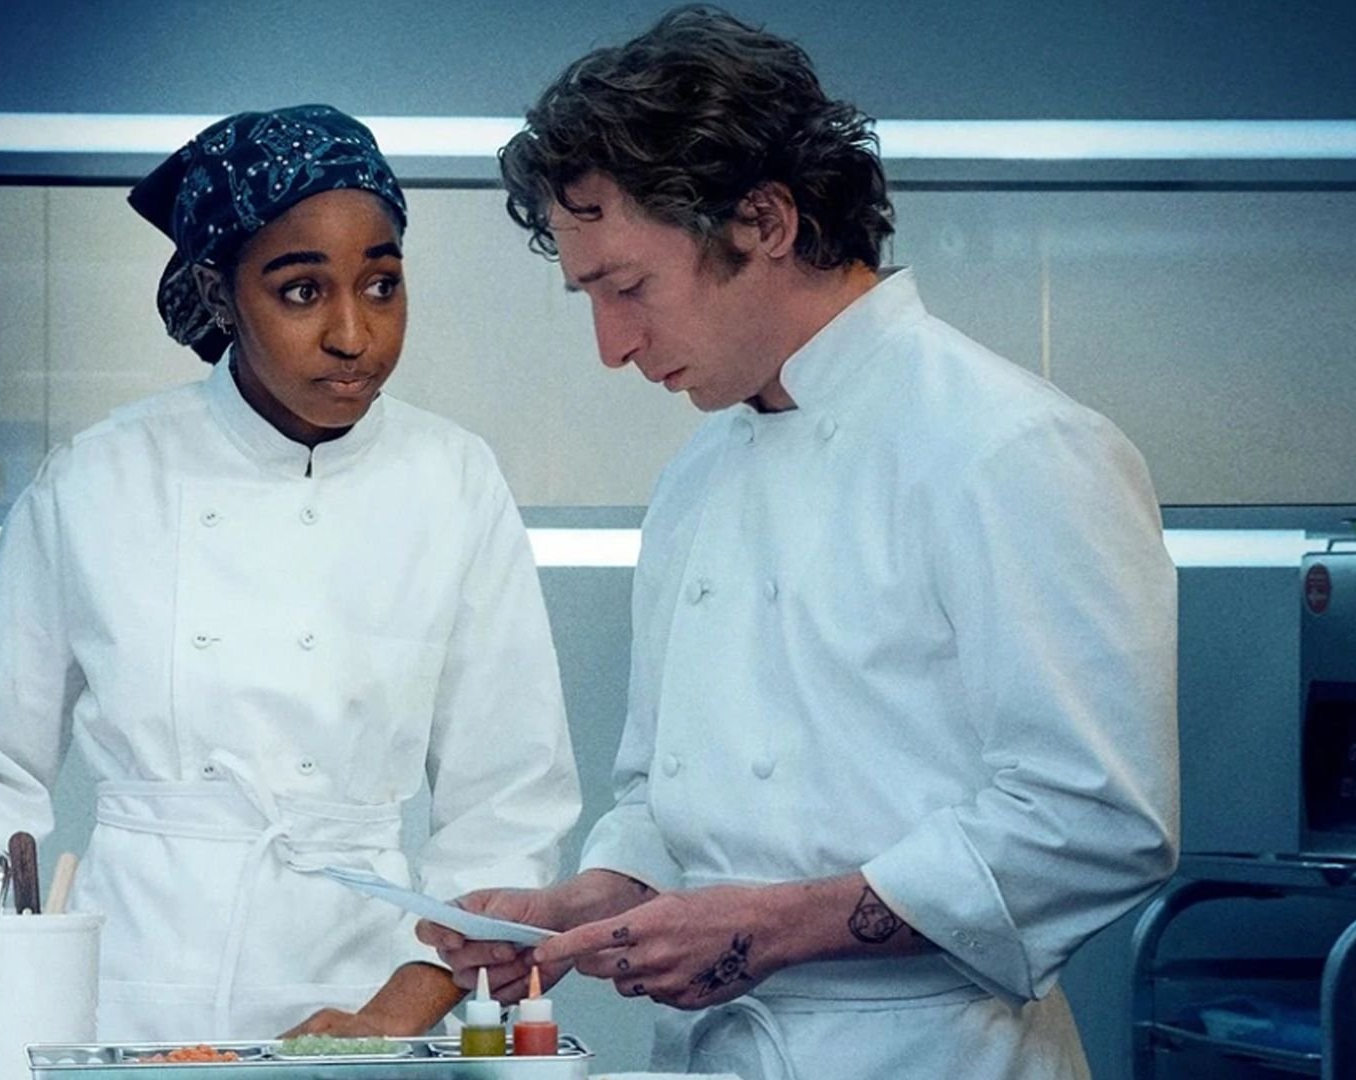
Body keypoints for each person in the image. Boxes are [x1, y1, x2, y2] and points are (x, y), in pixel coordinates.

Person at [421, 9, 1178, 1080]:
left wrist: (771, 928)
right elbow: (665, 801)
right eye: (589, 298)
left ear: (766, 220)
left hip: (932, 1054)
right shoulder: (696, 478)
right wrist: (588, 905)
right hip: (713, 1053)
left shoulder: (1010, 447)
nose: (612, 347)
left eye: (629, 288)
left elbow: (1096, 821)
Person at [0, 104, 581, 1045]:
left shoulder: (454, 484)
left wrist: (380, 1023)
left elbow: (505, 809)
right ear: (217, 289)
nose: (353, 334)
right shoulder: (98, 479)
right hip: (133, 991)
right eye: (301, 291)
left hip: (370, 983)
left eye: (382, 284)